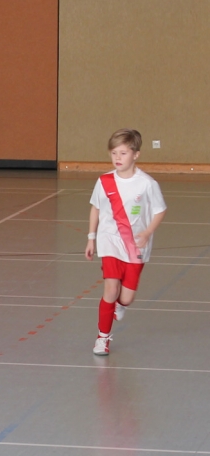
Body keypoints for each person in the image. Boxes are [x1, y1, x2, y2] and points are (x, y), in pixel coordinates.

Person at [85, 128, 166, 356]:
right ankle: (102, 338)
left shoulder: (147, 184)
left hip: (134, 247)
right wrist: (91, 238)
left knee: (126, 298)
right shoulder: (104, 181)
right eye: (114, 153)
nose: (117, 158)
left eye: (123, 153)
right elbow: (96, 208)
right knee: (110, 289)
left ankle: (121, 305)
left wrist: (147, 232)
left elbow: (160, 210)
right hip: (109, 241)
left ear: (136, 154)